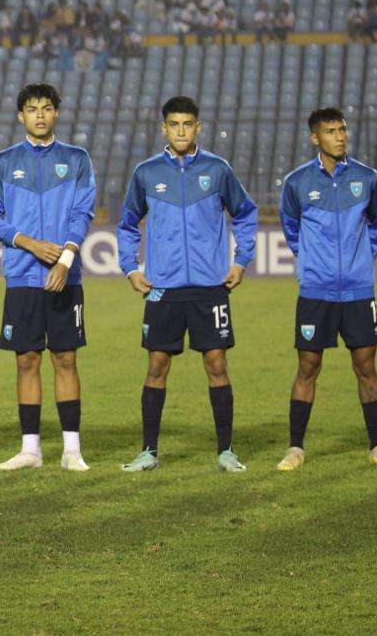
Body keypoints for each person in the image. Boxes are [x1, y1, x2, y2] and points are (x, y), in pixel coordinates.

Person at [116, 96, 258, 472]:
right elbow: (128, 223)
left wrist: (241, 260)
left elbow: (244, 213)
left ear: (198, 127)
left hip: (210, 286)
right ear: (164, 128)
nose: (181, 130)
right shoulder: (146, 173)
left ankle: (226, 451)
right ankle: (149, 452)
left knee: (216, 364)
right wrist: (130, 268)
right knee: (157, 365)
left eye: (188, 124)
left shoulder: (218, 169)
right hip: (163, 287)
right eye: (174, 124)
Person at [276, 109, 377, 471]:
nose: (340, 136)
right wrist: (311, 263)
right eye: (331, 131)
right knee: (308, 366)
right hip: (316, 291)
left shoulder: (366, 178)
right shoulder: (297, 182)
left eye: (343, 130)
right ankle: (295, 448)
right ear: (315, 138)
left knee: (366, 367)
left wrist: (362, 258)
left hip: (358, 291)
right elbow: (291, 227)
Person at [0, 83, 95, 472]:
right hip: (22, 278)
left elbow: (83, 213)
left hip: (65, 277)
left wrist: (65, 258)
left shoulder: (76, 159)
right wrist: (28, 243)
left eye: (47, 108)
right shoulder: (2, 162)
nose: (40, 115)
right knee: (26, 360)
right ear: (21, 116)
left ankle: (72, 451)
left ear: (56, 114)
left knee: (65, 358)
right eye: (32, 109)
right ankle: (31, 450)